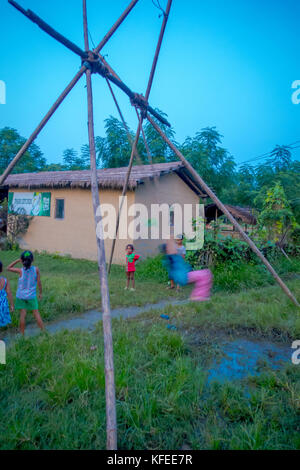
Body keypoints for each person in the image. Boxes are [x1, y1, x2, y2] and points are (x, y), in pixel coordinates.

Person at [7, 251, 44, 335]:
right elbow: (39, 283)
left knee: (22, 315)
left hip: (21, 296)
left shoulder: (20, 271)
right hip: (31, 296)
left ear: (22, 261)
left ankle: (22, 335)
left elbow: (8, 268)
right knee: (36, 313)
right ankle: (44, 332)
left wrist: (17, 260)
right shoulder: (36, 269)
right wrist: (40, 293)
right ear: (32, 260)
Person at [0, 261, 14, 328]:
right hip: (3, 305)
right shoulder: (5, 280)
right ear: (1, 269)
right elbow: (9, 293)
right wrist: (12, 305)